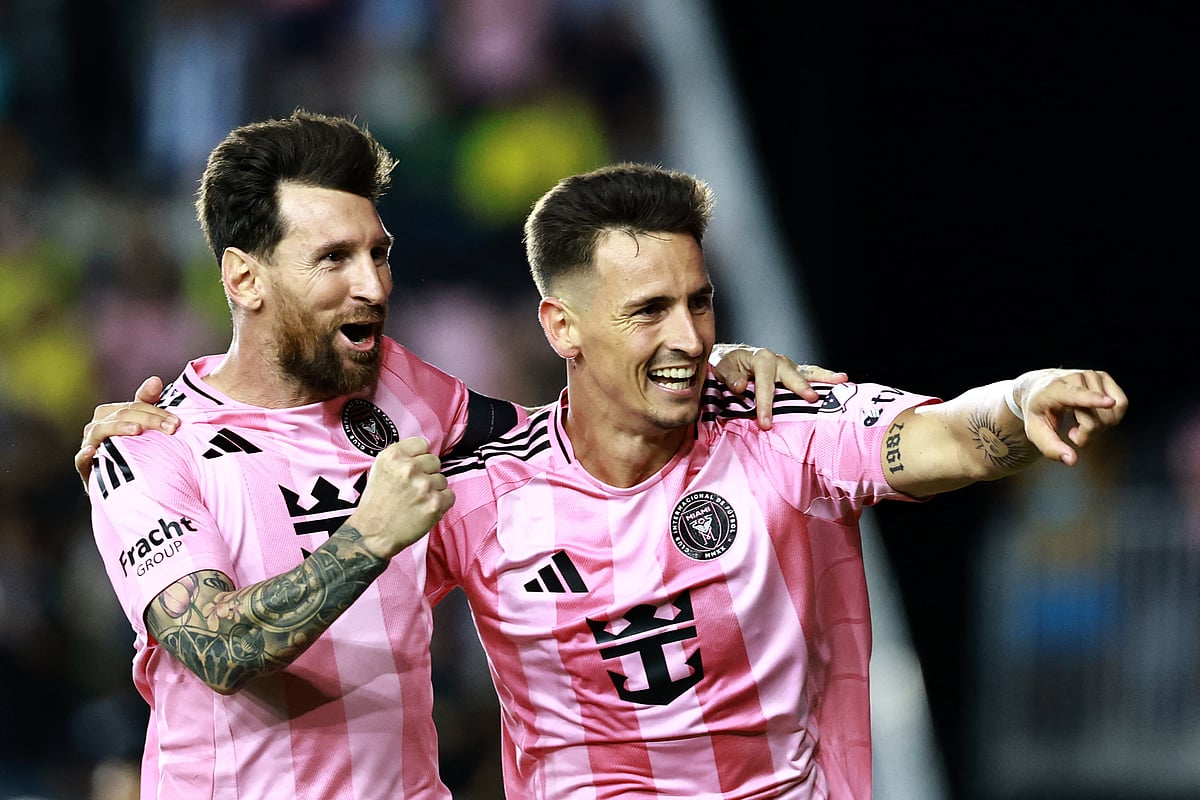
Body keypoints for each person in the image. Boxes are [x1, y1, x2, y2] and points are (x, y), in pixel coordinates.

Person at [79, 111, 840, 799]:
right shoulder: (148, 449)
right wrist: (368, 538)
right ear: (244, 277)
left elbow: (571, 441)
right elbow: (218, 648)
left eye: (379, 254)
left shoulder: (399, 388)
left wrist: (697, 367)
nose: (372, 284)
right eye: (334, 259)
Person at [410, 163, 1123, 798]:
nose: (689, 338)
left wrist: (1022, 398)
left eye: (699, 301)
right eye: (650, 310)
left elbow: (950, 438)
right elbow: (341, 630)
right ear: (563, 328)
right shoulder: (481, 493)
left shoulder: (777, 426)